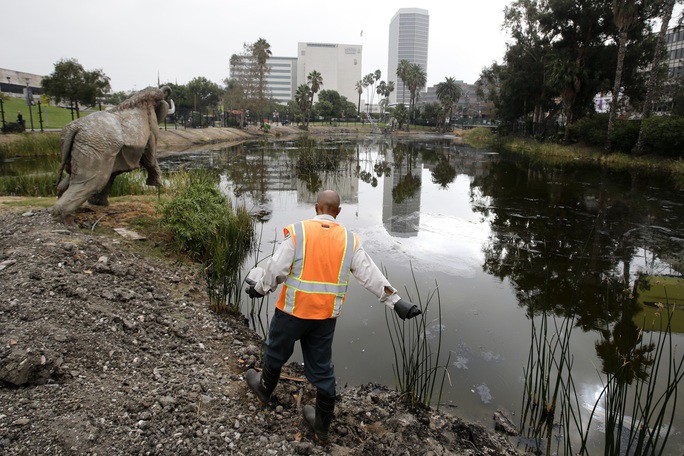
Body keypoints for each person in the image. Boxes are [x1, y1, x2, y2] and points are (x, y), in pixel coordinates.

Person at [244, 189, 421, 444]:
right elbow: (369, 274)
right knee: (322, 370)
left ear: (316, 208)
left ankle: (263, 391)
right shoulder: (349, 240)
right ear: (338, 212)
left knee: (275, 352)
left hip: (292, 313)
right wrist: (396, 302)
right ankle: (322, 428)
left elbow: (276, 269)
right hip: (324, 318)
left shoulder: (299, 232)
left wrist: (260, 289)